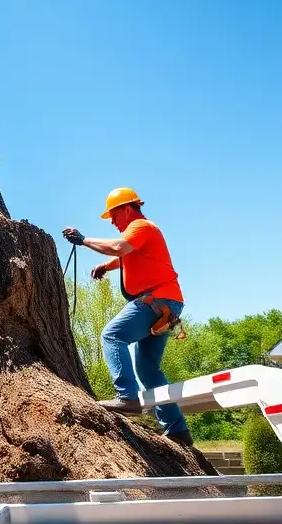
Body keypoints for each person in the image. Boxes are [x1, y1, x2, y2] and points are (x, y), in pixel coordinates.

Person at [62, 187, 192, 447]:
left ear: (127, 209)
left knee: (112, 335)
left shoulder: (142, 226)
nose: (112, 221)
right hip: (166, 305)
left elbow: (120, 247)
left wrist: (84, 240)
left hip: (156, 301)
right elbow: (126, 255)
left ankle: (127, 397)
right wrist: (106, 267)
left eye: (113, 215)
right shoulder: (141, 233)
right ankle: (177, 429)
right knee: (147, 368)